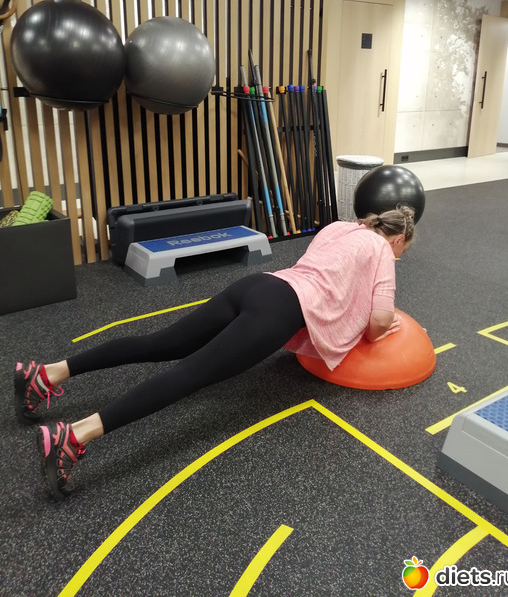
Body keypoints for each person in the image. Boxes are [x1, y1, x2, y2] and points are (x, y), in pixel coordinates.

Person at [15, 205, 415, 499]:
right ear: (397, 239)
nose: (398, 257)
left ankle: (47, 373)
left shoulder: (340, 227)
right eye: (402, 252)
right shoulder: (382, 249)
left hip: (259, 285)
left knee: (159, 343)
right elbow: (379, 319)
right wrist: (382, 329)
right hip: (279, 311)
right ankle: (72, 436)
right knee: (190, 374)